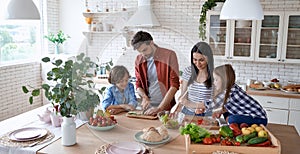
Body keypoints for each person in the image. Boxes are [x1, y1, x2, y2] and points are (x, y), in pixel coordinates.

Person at [131, 31, 180, 116]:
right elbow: (138, 84)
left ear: (151, 43)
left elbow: (174, 85)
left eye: (145, 50)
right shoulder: (139, 59)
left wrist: (160, 108)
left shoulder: (169, 55)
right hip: (148, 107)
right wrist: (144, 97)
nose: (143, 54)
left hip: (165, 107)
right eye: (140, 52)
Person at [177, 42, 214, 116]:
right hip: (187, 113)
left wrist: (196, 105)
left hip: (206, 114)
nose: (197, 63)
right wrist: (177, 110)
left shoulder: (215, 75)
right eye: (195, 60)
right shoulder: (188, 71)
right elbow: (183, 96)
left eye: (201, 60)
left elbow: (215, 102)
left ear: (209, 58)